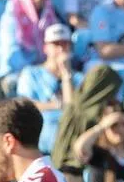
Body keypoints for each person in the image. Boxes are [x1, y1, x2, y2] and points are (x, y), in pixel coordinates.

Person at [16, 24, 82, 154]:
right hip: (41, 144)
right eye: (56, 44)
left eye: (65, 44)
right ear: (46, 48)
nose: (61, 49)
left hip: (69, 143)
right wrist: (56, 105)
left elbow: (72, 109)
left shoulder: (79, 78)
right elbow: (25, 105)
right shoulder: (31, 73)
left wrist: (66, 75)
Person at [0, 0, 58, 95]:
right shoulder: (11, 18)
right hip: (16, 74)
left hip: (43, 72)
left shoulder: (50, 17)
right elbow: (11, 55)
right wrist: (36, 72)